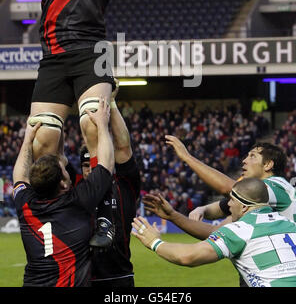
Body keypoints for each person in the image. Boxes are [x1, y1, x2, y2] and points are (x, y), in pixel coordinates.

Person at [28, 0, 168, 246]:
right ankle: (59, 213)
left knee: (93, 123)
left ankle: (104, 214)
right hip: (53, 56)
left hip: (94, 52)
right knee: (43, 138)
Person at [13, 98, 114, 287]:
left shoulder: (26, 205)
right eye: (65, 169)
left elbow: (19, 176)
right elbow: (106, 163)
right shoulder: (78, 201)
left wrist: (27, 140)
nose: (67, 165)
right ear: (63, 184)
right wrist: (102, 124)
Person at [134, 178, 296, 287]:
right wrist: (173, 215)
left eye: (232, 199)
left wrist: (154, 242)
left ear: (245, 206)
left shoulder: (240, 230)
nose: (229, 205)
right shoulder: (290, 225)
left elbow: (188, 256)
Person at [83, 80, 141, 287]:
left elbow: (123, 147)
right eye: (87, 165)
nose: (92, 169)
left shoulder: (124, 185)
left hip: (120, 277)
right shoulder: (77, 191)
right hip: (84, 278)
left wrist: (112, 102)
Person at [164, 137, 296, 223]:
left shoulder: (276, 186)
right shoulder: (261, 197)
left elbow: (228, 188)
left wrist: (187, 158)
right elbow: (220, 212)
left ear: (268, 165)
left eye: (252, 156)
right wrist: (202, 209)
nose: (244, 161)